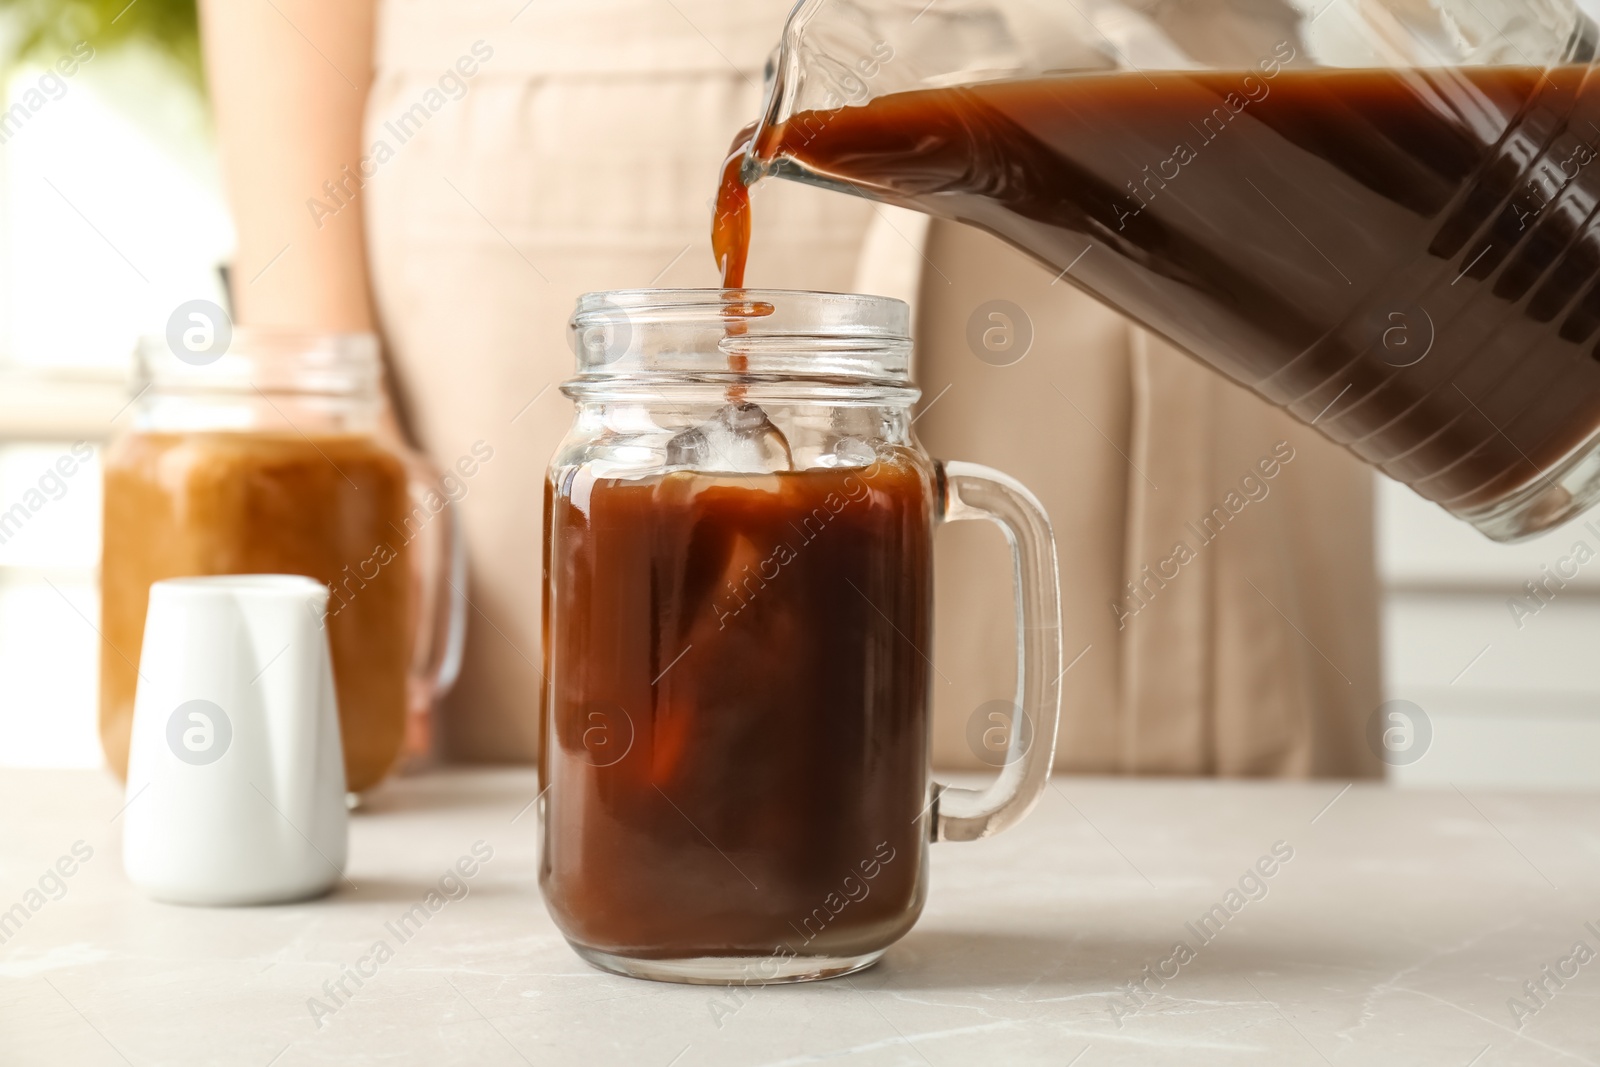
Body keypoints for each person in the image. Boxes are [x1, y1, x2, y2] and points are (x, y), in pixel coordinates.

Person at [198, 0, 1383, 778]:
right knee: (594, 914)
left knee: (1225, 944)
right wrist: (316, 392)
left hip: (1182, 135)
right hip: (588, 182)